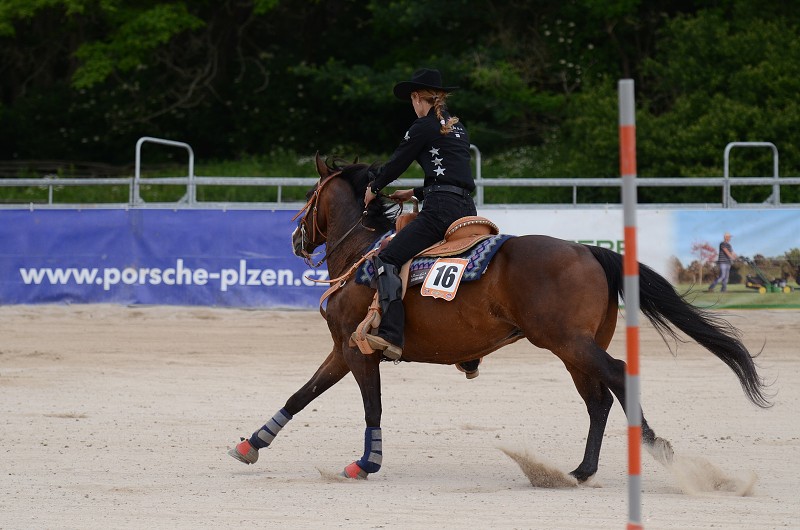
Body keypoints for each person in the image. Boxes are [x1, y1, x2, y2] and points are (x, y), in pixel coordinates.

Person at [355, 68, 477, 361]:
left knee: (387, 258)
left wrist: (375, 185)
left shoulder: (422, 126)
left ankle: (392, 334)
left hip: (441, 212)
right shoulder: (457, 126)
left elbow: (397, 162)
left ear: (415, 97)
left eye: (412, 99)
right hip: (467, 211)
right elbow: (455, 174)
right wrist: (416, 194)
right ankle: (470, 349)